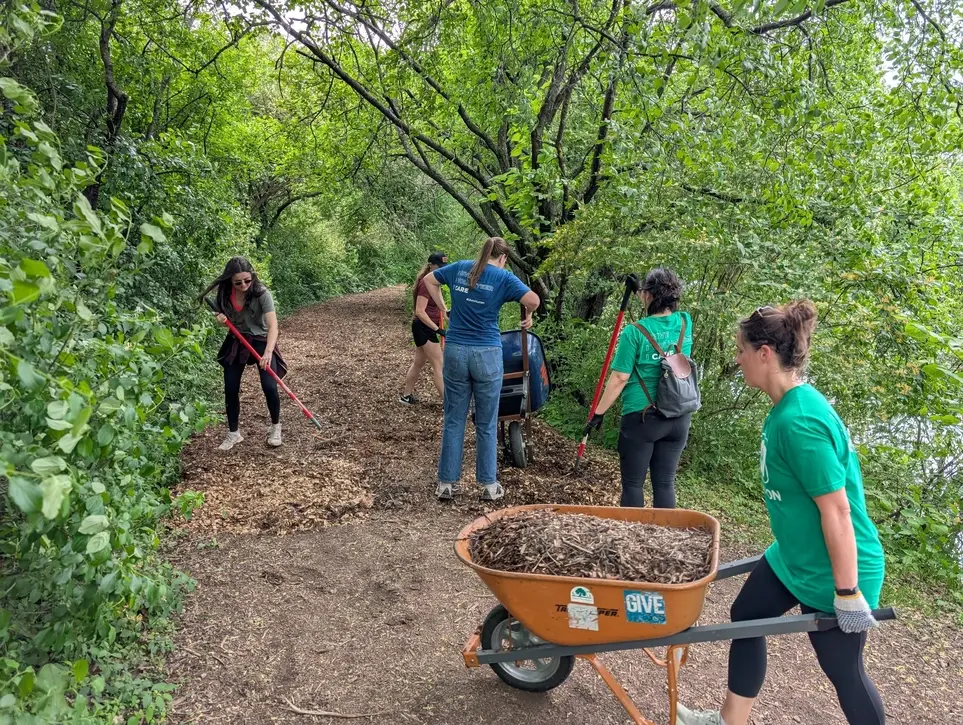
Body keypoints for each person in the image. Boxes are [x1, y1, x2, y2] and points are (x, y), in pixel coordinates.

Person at [676, 301, 886, 725]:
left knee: (843, 671)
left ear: (765, 353)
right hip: (793, 558)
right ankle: (730, 721)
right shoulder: (787, 408)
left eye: (741, 350)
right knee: (746, 618)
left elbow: (839, 510)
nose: (737, 359)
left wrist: (846, 593)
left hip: (835, 570)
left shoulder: (800, 421)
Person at [424, 237, 540, 501]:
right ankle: (488, 485)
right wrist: (528, 315)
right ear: (503, 258)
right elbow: (533, 300)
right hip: (487, 353)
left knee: (454, 419)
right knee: (487, 423)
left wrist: (445, 309)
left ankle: (446, 484)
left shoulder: (460, 268)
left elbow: (429, 281)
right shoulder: (503, 278)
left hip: (454, 350)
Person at [584, 268, 693, 508]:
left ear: (649, 295)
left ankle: (635, 543)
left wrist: (598, 414)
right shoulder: (685, 321)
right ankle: (665, 541)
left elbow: (620, 378)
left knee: (633, 484)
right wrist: (641, 292)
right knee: (665, 483)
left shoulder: (634, 332)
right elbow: (662, 321)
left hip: (643, 417)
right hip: (678, 416)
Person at [199, 257, 287, 451]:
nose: (244, 285)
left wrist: (268, 353)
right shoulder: (224, 294)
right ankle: (233, 434)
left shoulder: (262, 293)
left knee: (269, 386)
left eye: (247, 280)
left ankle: (275, 428)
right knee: (230, 388)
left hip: (262, 340)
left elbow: (273, 326)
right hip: (237, 340)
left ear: (252, 276)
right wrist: (219, 319)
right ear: (230, 280)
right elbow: (222, 317)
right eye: (238, 282)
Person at [400, 251, 449, 405]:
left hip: (427, 327)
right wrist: (437, 329)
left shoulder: (435, 281)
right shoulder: (425, 284)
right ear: (430, 266)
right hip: (424, 327)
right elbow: (420, 312)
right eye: (438, 267)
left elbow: (441, 305)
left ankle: (406, 396)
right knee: (439, 364)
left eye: (443, 267)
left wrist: (449, 316)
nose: (441, 270)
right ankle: (449, 404)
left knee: (418, 362)